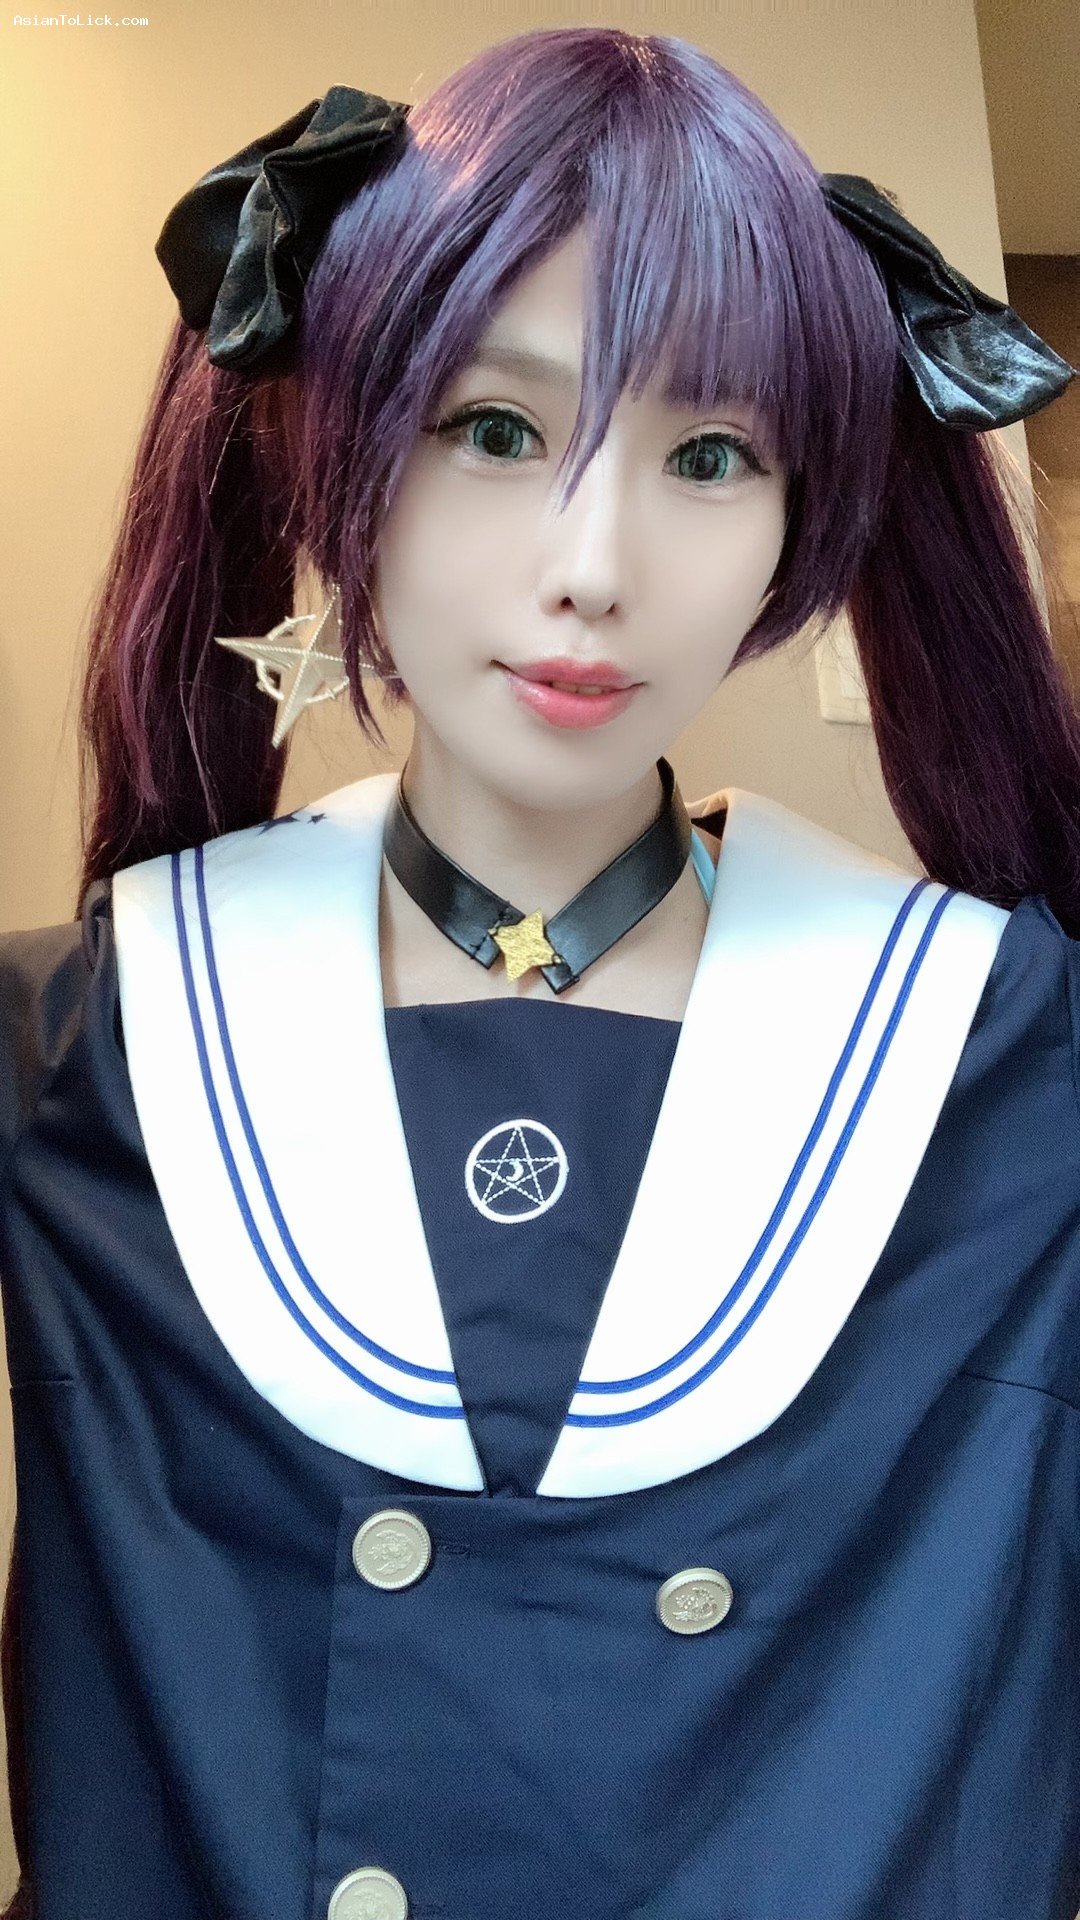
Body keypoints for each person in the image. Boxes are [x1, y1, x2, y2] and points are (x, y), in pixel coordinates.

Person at [1, 24, 1078, 1920]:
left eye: (712, 455)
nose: (594, 564)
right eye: (494, 430)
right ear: (335, 452)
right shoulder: (78, 1052)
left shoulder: (1009, 1059)